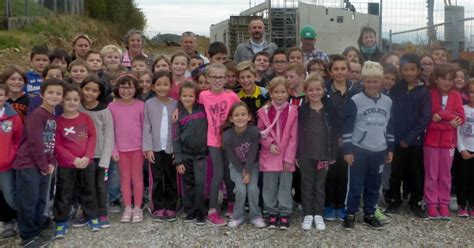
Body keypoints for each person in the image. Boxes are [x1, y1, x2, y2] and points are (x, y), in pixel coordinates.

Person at [342, 61, 394, 230]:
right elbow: (348, 126)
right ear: (363, 81)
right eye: (368, 81)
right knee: (356, 186)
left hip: (379, 150)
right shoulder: (355, 100)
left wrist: (390, 148)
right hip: (359, 150)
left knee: (373, 185)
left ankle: (369, 214)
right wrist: (348, 150)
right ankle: (350, 214)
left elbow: (390, 126)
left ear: (381, 82)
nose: (372, 85)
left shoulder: (387, 101)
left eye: (375, 81)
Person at [13, 78, 64, 247]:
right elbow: (35, 143)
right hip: (29, 163)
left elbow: (49, 142)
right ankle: (28, 236)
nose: (54, 96)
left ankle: (37, 227)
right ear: (42, 94)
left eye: (58, 93)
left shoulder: (52, 115)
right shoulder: (37, 115)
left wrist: (50, 162)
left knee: (41, 198)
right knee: (29, 200)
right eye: (50, 92)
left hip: (42, 163)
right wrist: (43, 165)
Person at [385, 54, 432, 218]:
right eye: (406, 70)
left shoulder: (423, 91)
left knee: (416, 173)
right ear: (401, 71)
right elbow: (391, 113)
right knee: (396, 172)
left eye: (413, 69)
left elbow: (425, 117)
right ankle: (394, 200)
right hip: (397, 139)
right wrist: (396, 137)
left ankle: (415, 202)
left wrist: (410, 138)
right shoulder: (397, 88)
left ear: (418, 70)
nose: (409, 73)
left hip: (415, 142)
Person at [53, 86, 99, 239]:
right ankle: (61, 220)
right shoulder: (58, 122)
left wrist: (87, 157)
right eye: (68, 99)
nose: (72, 102)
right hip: (67, 165)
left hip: (87, 162)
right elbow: (57, 145)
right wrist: (73, 159)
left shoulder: (86, 118)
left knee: (89, 190)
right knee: (64, 192)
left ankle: (91, 216)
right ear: (62, 101)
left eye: (75, 99)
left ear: (80, 101)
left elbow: (92, 137)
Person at [199, 64, 240, 226]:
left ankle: (231, 202)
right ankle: (212, 210)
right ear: (208, 79)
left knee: (229, 174)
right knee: (217, 174)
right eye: (214, 77)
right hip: (213, 141)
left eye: (221, 77)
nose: (217, 80)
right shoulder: (203, 95)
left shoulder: (231, 96)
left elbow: (242, 111)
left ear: (226, 79)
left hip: (229, 140)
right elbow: (193, 110)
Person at [424, 63, 464, 220]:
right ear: (436, 79)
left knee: (445, 175)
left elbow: (460, 116)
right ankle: (432, 203)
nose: (447, 82)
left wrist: (442, 115)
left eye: (450, 79)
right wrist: (447, 123)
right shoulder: (430, 94)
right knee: (432, 174)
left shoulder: (456, 96)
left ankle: (444, 203)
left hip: (449, 143)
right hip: (431, 142)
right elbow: (428, 118)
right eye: (443, 79)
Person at [297, 73, 336, 231]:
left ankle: (318, 213)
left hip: (323, 155)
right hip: (305, 154)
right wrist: (296, 154)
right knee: (306, 184)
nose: (314, 92)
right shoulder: (303, 110)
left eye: (318, 89)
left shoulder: (329, 109)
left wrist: (332, 154)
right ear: (306, 91)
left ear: (323, 90)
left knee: (319, 185)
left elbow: (334, 133)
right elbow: (297, 133)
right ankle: (308, 213)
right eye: (311, 90)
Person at [258, 77, 297, 230]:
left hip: (287, 156)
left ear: (288, 92)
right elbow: (260, 132)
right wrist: (269, 144)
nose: (280, 95)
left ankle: (285, 212)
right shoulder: (263, 111)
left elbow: (294, 137)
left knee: (285, 186)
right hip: (269, 155)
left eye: (283, 92)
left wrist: (289, 157)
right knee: (269, 185)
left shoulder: (293, 111)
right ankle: (271, 211)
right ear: (271, 94)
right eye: (276, 92)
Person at [323, 55, 359, 222]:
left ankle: (341, 205)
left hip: (349, 139)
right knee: (330, 173)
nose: (339, 72)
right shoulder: (324, 91)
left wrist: (345, 139)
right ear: (330, 72)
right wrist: (334, 137)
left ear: (349, 71)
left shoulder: (356, 91)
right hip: (329, 139)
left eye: (343, 69)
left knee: (345, 174)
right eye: (336, 69)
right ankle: (329, 205)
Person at [108, 73, 145, 223]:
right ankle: (128, 207)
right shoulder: (112, 106)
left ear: (135, 89)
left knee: (137, 179)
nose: (126, 91)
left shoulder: (141, 105)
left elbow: (145, 128)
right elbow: (110, 130)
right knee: (124, 179)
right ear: (117, 88)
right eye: (122, 87)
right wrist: (114, 149)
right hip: (121, 150)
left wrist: (145, 147)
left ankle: (137, 207)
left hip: (137, 149)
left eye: (130, 87)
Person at [79, 76, 115, 228]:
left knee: (100, 186)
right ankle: (87, 213)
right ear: (81, 89)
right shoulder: (77, 107)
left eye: (94, 90)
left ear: (99, 92)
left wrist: (106, 159)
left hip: (100, 155)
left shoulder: (104, 110)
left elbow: (109, 135)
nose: (90, 93)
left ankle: (102, 213)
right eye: (87, 89)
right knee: (85, 186)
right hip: (82, 156)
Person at [223, 102, 266, 229]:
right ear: (231, 118)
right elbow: (231, 157)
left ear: (249, 117)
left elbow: (253, 153)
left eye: (243, 114)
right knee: (241, 190)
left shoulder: (254, 131)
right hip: (236, 166)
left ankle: (255, 216)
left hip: (252, 165)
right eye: (236, 115)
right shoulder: (227, 136)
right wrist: (242, 171)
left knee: (253, 189)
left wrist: (247, 171)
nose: (240, 117)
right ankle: (238, 216)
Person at [143, 71, 178, 222]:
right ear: (153, 87)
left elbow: (179, 128)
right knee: (156, 178)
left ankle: (170, 206)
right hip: (155, 148)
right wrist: (148, 148)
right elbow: (146, 127)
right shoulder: (149, 104)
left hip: (171, 148)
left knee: (171, 177)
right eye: (158, 85)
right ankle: (157, 206)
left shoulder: (176, 103)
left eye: (165, 84)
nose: (162, 87)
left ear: (171, 85)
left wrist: (178, 149)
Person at [173, 81, 208, 225]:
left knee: (200, 183)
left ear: (196, 97)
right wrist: (178, 161)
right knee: (188, 183)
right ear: (180, 97)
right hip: (185, 154)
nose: (187, 98)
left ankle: (201, 211)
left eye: (191, 96)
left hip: (200, 154)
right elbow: (175, 139)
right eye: (184, 96)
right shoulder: (178, 115)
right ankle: (190, 210)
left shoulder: (202, 109)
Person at [0, 83, 23, 239]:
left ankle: (24, 219)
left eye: (0, 95)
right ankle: (7, 222)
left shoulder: (12, 116)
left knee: (10, 195)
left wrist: (11, 155)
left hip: (6, 164)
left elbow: (19, 139)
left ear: (6, 97)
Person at [456, 79, 474, 218]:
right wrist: (461, 149)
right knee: (463, 178)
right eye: (472, 92)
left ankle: (472, 205)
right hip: (464, 150)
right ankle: (462, 205)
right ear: (467, 94)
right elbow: (457, 131)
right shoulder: (463, 109)